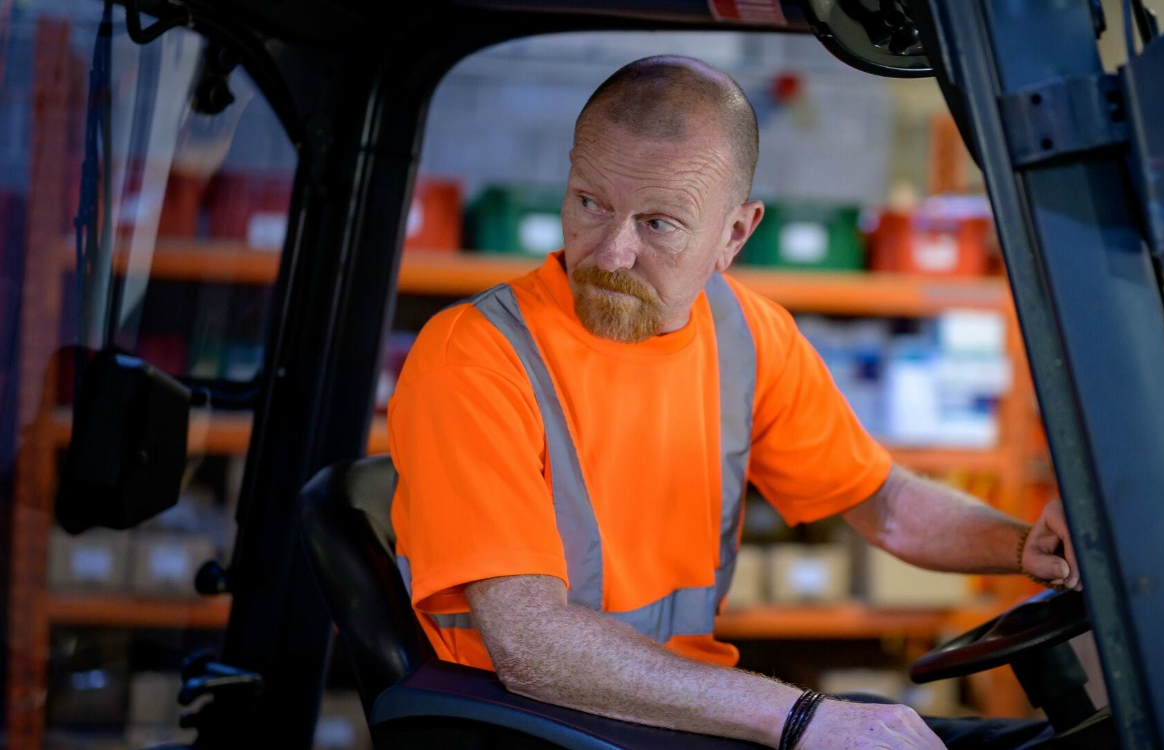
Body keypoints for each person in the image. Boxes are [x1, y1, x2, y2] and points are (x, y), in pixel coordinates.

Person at [388, 54, 1081, 750]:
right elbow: (529, 641)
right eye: (590, 203)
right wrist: (802, 719)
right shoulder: (477, 357)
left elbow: (886, 506)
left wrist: (1026, 548)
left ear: (735, 235)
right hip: (540, 726)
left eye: (659, 223)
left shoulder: (747, 338)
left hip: (669, 713)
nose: (610, 253)